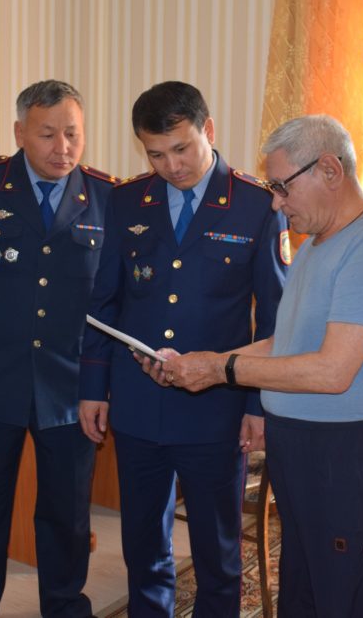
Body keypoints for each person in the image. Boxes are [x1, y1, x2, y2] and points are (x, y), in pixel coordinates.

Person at [161, 114, 363, 617]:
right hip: (308, 448)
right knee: (306, 587)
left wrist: (221, 371)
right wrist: (209, 361)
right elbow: (287, 344)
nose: (276, 203)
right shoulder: (316, 244)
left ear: (329, 169)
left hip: (355, 452)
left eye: (283, 187)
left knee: (350, 596)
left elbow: (332, 372)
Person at [79, 81, 288, 616]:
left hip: (216, 409)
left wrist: (257, 404)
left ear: (208, 131)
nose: (171, 166)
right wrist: (93, 389)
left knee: (218, 554)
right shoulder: (127, 200)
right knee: (143, 547)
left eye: (181, 148)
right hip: (138, 404)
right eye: (155, 154)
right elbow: (105, 301)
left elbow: (274, 317)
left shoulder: (257, 204)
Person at [0, 80, 115, 618]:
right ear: (19, 133)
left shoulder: (106, 195)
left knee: (68, 518)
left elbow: (111, 304)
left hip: (71, 387)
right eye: (47, 134)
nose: (63, 147)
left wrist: (102, 387)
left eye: (73, 134)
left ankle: (65, 608)